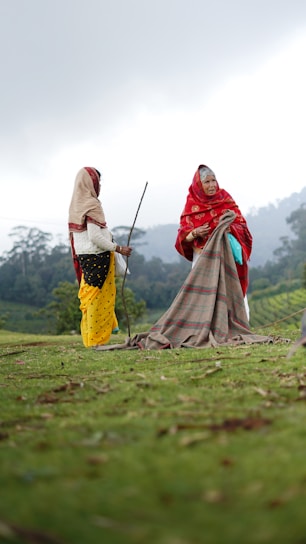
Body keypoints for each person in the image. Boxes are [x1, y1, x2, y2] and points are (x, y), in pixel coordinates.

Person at [175, 164, 252, 318]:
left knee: (231, 286)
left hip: (226, 253)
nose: (212, 185)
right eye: (207, 182)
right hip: (204, 256)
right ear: (198, 184)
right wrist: (195, 232)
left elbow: (241, 224)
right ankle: (205, 324)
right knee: (205, 290)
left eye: (213, 181)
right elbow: (182, 236)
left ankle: (238, 321)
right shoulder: (192, 204)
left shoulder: (225, 198)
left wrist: (231, 229)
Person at [68, 166, 132, 348]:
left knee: (90, 301)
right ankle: (98, 341)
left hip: (84, 258)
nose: (100, 186)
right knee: (100, 301)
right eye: (98, 182)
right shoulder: (92, 204)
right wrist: (118, 248)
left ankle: (91, 339)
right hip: (98, 258)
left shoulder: (75, 204)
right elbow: (95, 236)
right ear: (91, 183)